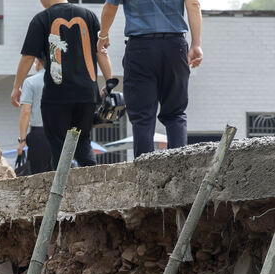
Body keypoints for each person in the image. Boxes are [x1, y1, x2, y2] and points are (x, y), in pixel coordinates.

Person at [13, 0, 114, 169]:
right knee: (83, 141)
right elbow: (101, 52)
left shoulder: (41, 19)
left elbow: (28, 57)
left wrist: (16, 87)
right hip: (87, 94)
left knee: (59, 146)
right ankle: (93, 183)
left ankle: (62, 191)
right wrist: (109, 83)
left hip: (56, 95)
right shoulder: (89, 16)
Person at [99, 0, 202, 157]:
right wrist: (196, 43)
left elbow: (110, 6)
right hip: (175, 46)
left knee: (142, 118)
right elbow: (193, 4)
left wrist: (103, 34)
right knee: (175, 114)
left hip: (140, 47)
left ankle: (144, 173)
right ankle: (181, 172)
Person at [18, 60, 52, 174]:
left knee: (38, 176)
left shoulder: (30, 82)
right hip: (61, 133)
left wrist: (22, 140)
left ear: (38, 62)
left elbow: (25, 112)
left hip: (39, 134)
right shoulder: (63, 81)